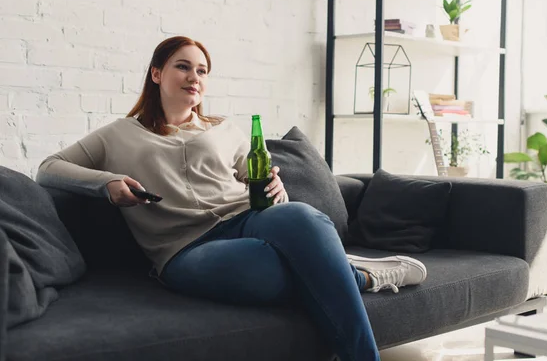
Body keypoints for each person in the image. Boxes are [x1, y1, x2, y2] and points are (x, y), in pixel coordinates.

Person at [36, 36, 427, 361]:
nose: (195, 77)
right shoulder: (118, 135)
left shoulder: (223, 129)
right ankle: (355, 274)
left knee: (305, 218)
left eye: (202, 71)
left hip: (247, 217)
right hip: (185, 250)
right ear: (157, 74)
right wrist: (107, 183)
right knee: (270, 272)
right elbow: (49, 167)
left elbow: (259, 181)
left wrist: (276, 185)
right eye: (183, 66)